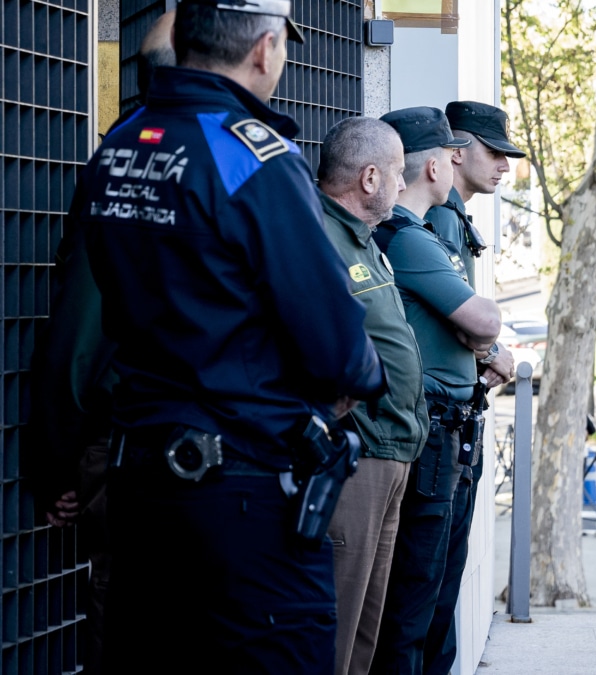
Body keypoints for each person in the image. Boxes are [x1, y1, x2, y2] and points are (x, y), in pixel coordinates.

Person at [78, 1, 387, 672]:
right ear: (265, 48)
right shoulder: (253, 154)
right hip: (241, 495)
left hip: (140, 487)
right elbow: (338, 343)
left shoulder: (120, 146)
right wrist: (357, 380)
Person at [24, 9, 174, 671]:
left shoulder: (126, 149)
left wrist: (59, 462)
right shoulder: (141, 158)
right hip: (138, 445)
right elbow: (86, 326)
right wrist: (64, 463)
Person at [370, 106, 510, 675]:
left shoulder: (423, 230)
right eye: (453, 154)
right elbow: (483, 321)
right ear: (433, 166)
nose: (463, 162)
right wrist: (483, 335)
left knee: (430, 590)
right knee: (414, 595)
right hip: (427, 425)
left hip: (444, 423)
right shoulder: (408, 236)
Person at [316, 117, 431, 675]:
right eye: (395, 171)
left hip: (393, 453)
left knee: (366, 627)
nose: (402, 184)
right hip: (357, 457)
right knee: (335, 625)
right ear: (368, 178)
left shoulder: (361, 239)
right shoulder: (320, 238)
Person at [422, 100, 522, 675]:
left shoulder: (453, 217)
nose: (505, 166)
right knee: (430, 589)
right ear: (456, 153)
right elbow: (447, 316)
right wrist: (490, 350)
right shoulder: (437, 220)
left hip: (459, 417)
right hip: (440, 423)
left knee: (442, 582)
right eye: (494, 152)